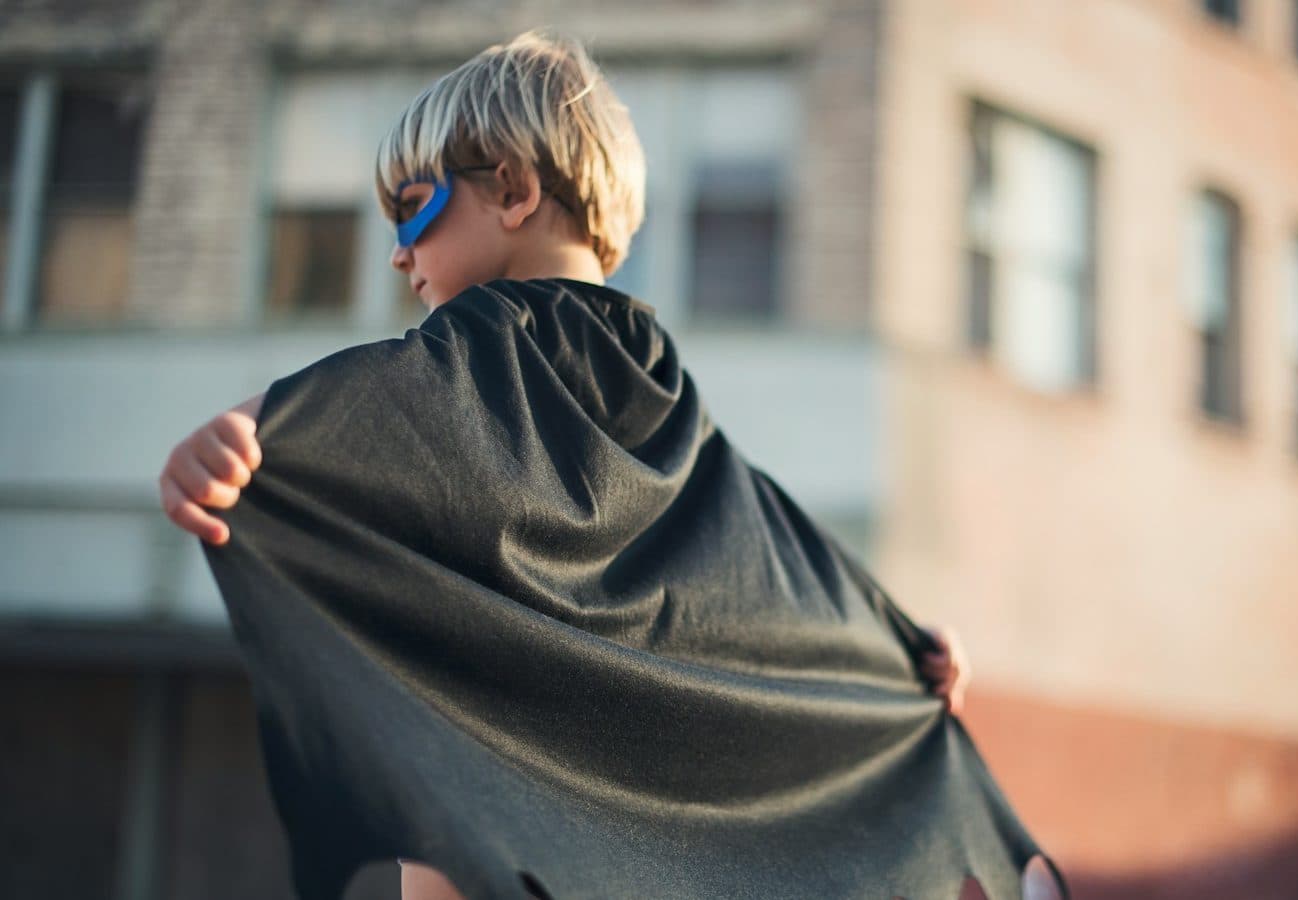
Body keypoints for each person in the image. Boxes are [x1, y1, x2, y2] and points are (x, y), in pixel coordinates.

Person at [158, 29, 1062, 900]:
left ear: (511, 189)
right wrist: (898, 644)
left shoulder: (482, 342)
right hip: (619, 826)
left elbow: (334, 413)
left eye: (413, 208)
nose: (400, 253)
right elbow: (759, 551)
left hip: (500, 799)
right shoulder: (658, 377)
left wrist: (232, 441)